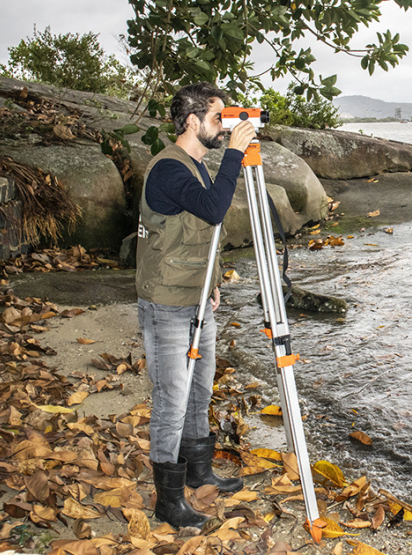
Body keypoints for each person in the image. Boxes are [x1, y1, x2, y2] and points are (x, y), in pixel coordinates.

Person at [135, 82, 257, 529]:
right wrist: (235, 157)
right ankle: (168, 500)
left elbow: (204, 232)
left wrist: (213, 281)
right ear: (191, 122)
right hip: (167, 304)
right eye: (217, 119)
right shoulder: (170, 169)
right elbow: (212, 209)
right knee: (172, 397)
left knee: (200, 390)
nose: (225, 128)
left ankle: (199, 472)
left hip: (196, 297)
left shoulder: (198, 165)